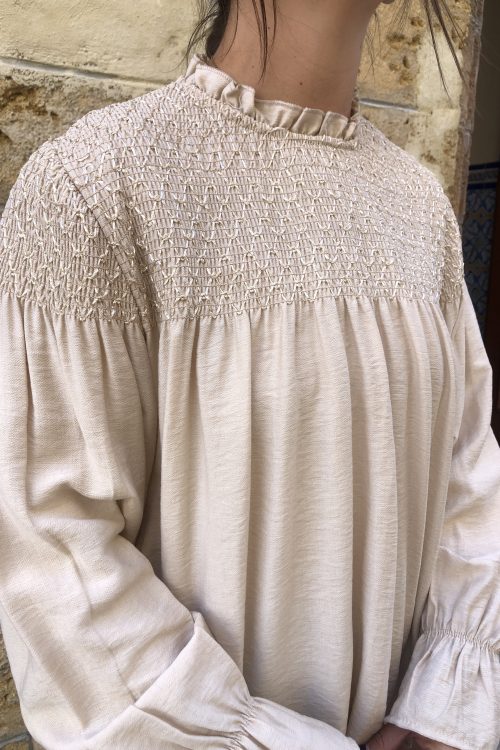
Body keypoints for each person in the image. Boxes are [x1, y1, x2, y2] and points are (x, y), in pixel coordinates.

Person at [0, 0, 498, 748]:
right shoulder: (97, 188)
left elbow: (470, 485)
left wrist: (445, 712)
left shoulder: (419, 207)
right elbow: (55, 557)